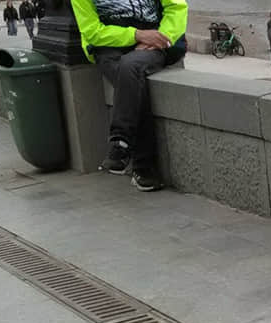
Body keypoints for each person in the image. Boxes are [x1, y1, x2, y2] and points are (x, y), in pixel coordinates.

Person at [69, 0, 187, 192]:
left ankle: (121, 142)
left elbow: (176, 8)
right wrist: (136, 35)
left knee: (130, 68)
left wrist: (160, 38)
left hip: (154, 41)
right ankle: (142, 167)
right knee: (130, 77)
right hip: (108, 45)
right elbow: (91, 31)